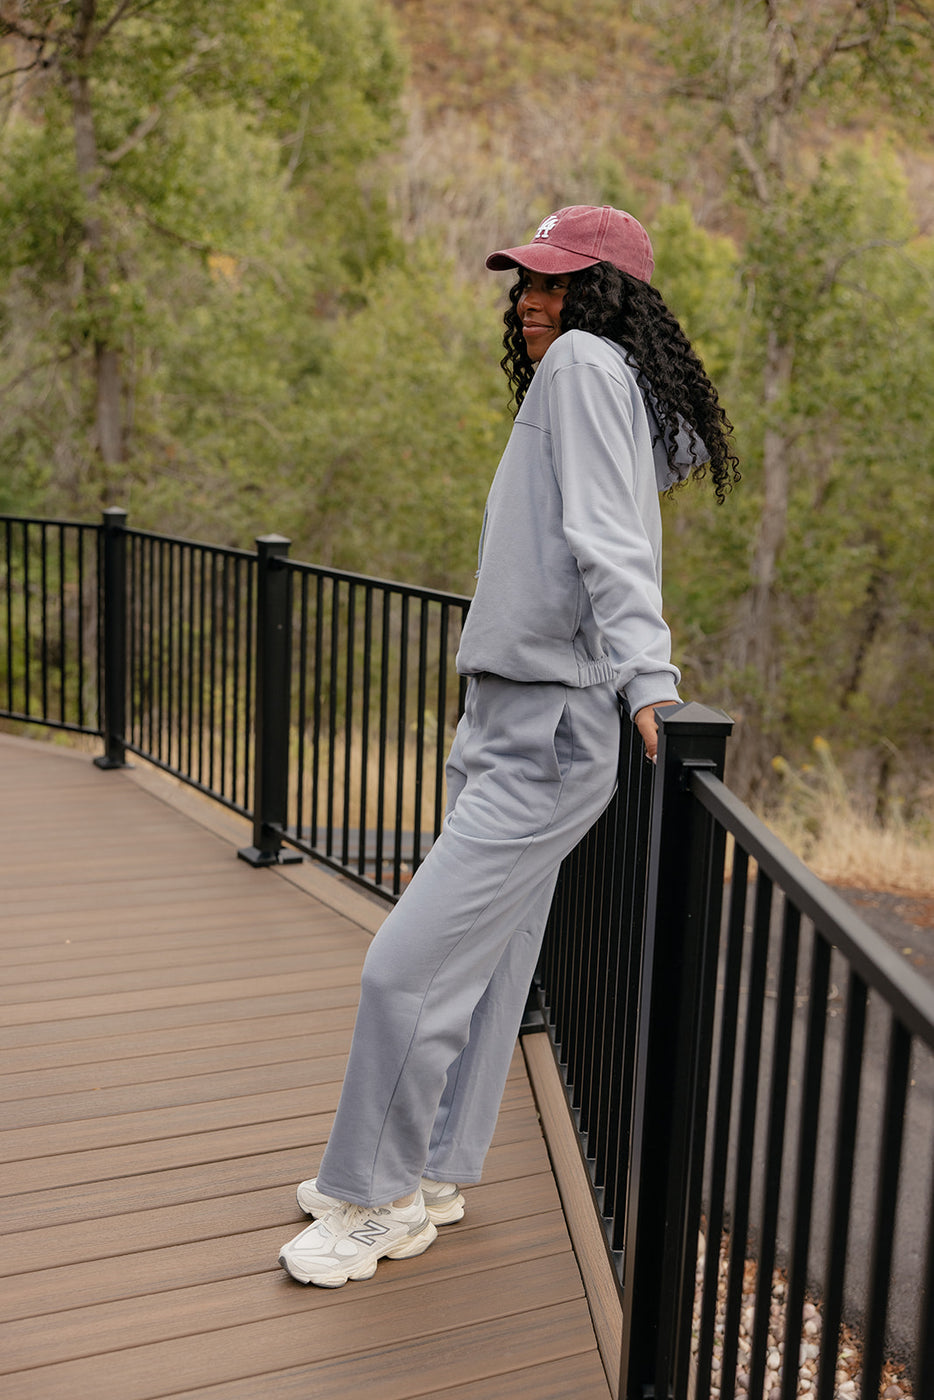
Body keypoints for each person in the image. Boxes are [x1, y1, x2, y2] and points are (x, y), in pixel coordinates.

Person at [278, 204, 739, 1287]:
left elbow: (609, 543)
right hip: (526, 714)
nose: (532, 303)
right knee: (484, 963)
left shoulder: (583, 364)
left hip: (544, 722)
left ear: (604, 296)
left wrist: (652, 681)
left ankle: (372, 1196)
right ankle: (431, 1169)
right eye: (525, 284)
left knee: (407, 965)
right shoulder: (601, 383)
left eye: (556, 284)